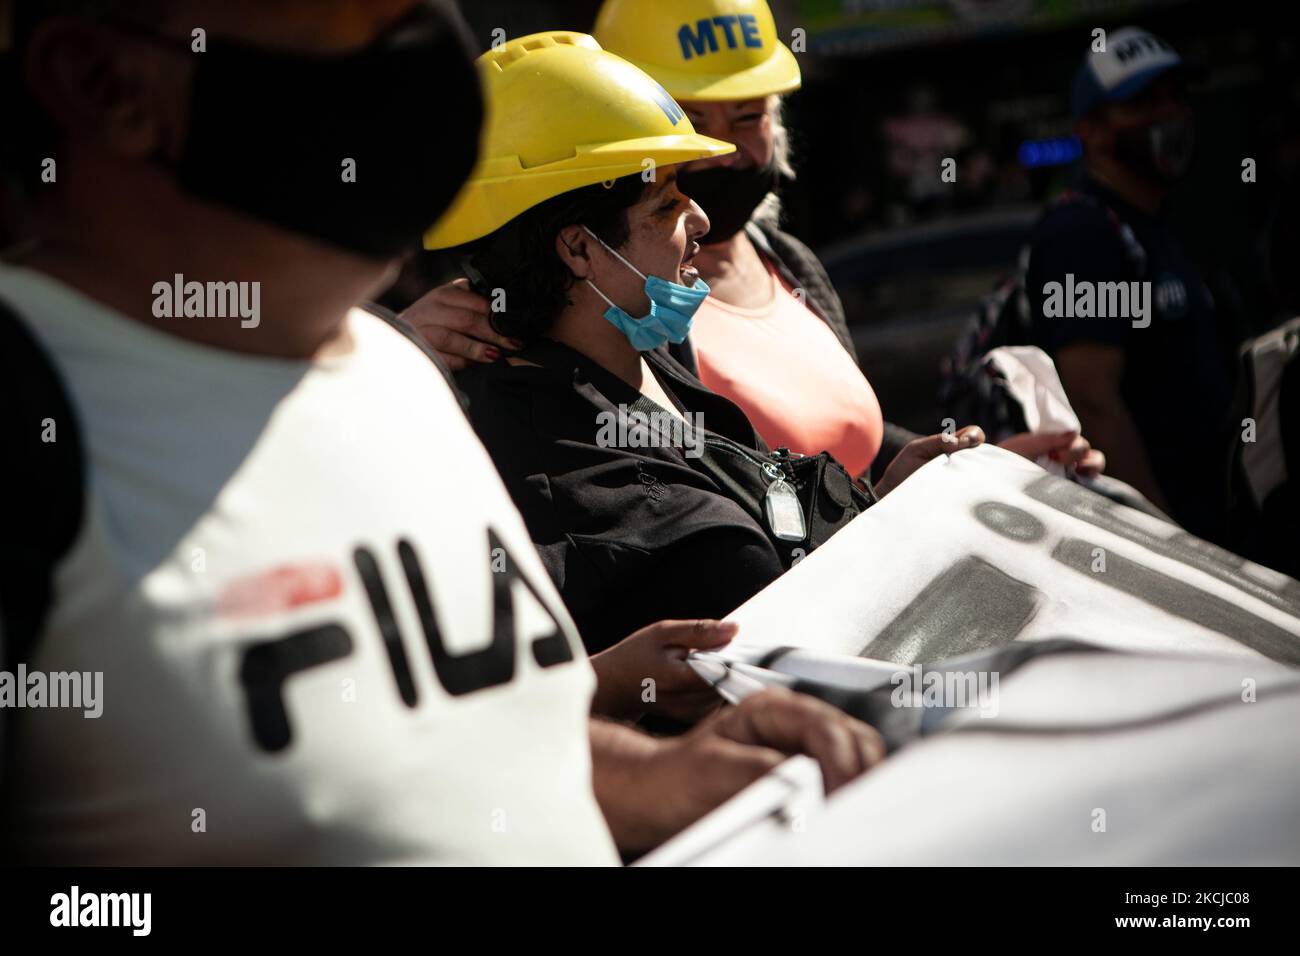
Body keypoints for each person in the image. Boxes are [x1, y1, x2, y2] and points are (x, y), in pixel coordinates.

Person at [0, 0, 883, 865]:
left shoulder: (400, 371)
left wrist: (662, 777)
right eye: (350, 19)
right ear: (102, 81)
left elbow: (461, 731)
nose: (416, 53)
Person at [422, 30, 986, 663]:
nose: (702, 220)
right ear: (578, 249)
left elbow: (773, 518)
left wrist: (878, 506)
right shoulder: (575, 473)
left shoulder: (641, 357)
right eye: (666, 205)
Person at [404, 0, 1105, 487]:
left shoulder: (789, 263)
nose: (724, 150)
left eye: (747, 116)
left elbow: (846, 447)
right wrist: (395, 347)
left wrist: (974, 469)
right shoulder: (620, 307)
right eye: (690, 120)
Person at [1023, 26, 1234, 541]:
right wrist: (1171, 542)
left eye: (1174, 98)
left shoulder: (1156, 224)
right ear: (1092, 130)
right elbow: (1094, 399)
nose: (1168, 116)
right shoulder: (1084, 233)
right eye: (1143, 104)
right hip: (1172, 536)